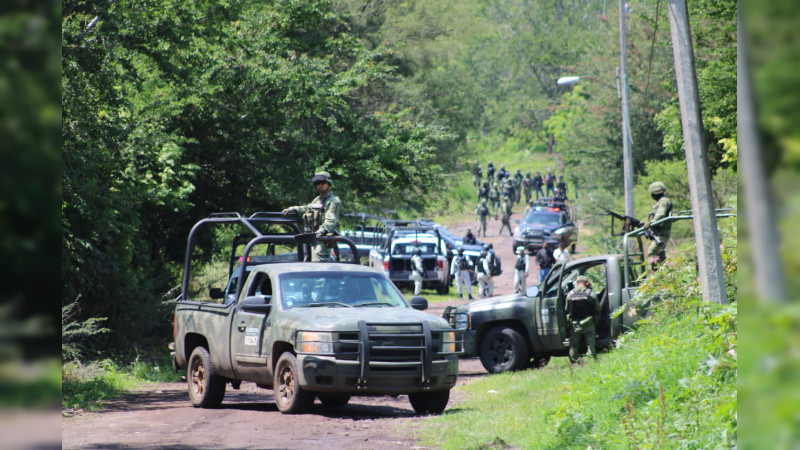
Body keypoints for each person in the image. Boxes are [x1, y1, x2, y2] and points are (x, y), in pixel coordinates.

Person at [282, 171, 341, 261]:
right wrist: (293, 209)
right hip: (311, 238)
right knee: (307, 264)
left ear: (329, 183)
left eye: (322, 182)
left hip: (323, 239)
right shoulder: (317, 199)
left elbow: (331, 221)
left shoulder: (333, 201)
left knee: (319, 266)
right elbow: (307, 208)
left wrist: (320, 232)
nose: (319, 185)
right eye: (317, 183)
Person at [566, 276, 600, 363]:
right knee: (590, 344)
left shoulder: (570, 294)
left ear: (577, 283)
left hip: (575, 324)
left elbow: (567, 309)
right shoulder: (590, 293)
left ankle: (575, 361)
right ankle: (591, 360)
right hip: (588, 323)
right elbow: (597, 308)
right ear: (586, 283)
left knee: (574, 345)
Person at [643, 181, 674, 269]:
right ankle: (664, 275)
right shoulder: (660, 201)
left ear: (656, 193)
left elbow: (660, 215)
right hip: (658, 233)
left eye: (652, 193)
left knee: (652, 253)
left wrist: (651, 223)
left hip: (662, 233)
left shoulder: (664, 201)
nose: (651, 195)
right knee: (660, 255)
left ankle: (656, 274)